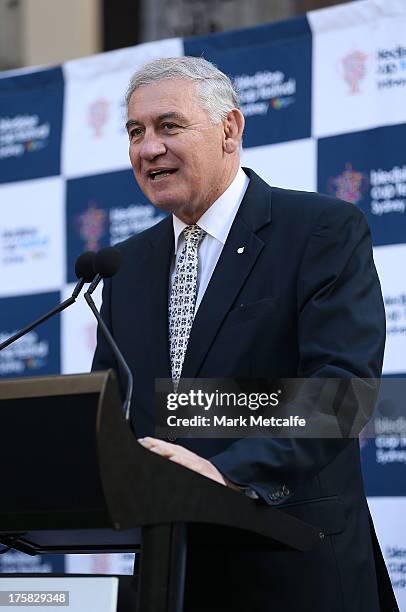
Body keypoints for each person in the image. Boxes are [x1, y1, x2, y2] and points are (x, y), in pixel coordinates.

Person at [92, 57, 397, 611]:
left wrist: (224, 472)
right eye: (135, 132)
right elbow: (112, 413)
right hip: (172, 576)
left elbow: (341, 393)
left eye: (168, 126)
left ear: (229, 129)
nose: (148, 148)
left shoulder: (320, 230)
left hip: (293, 571)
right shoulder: (126, 267)